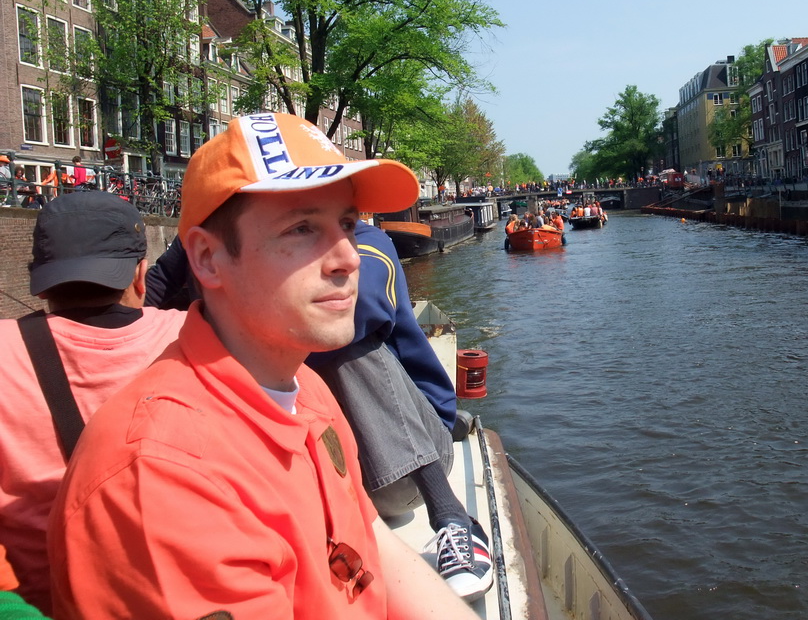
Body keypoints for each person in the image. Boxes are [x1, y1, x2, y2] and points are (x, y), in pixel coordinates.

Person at [47, 112, 478, 619]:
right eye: (301, 228)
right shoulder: (162, 480)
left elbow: (371, 542)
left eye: (347, 224)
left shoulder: (307, 392)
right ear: (207, 260)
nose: (349, 256)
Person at [0, 192, 186, 615]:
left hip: (41, 601)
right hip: (167, 597)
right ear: (140, 275)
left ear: (40, 277)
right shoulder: (190, 337)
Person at [307, 221, 492, 600]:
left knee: (341, 339)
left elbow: (358, 304)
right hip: (324, 481)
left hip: (401, 470)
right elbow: (159, 285)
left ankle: (451, 516)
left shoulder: (371, 243)